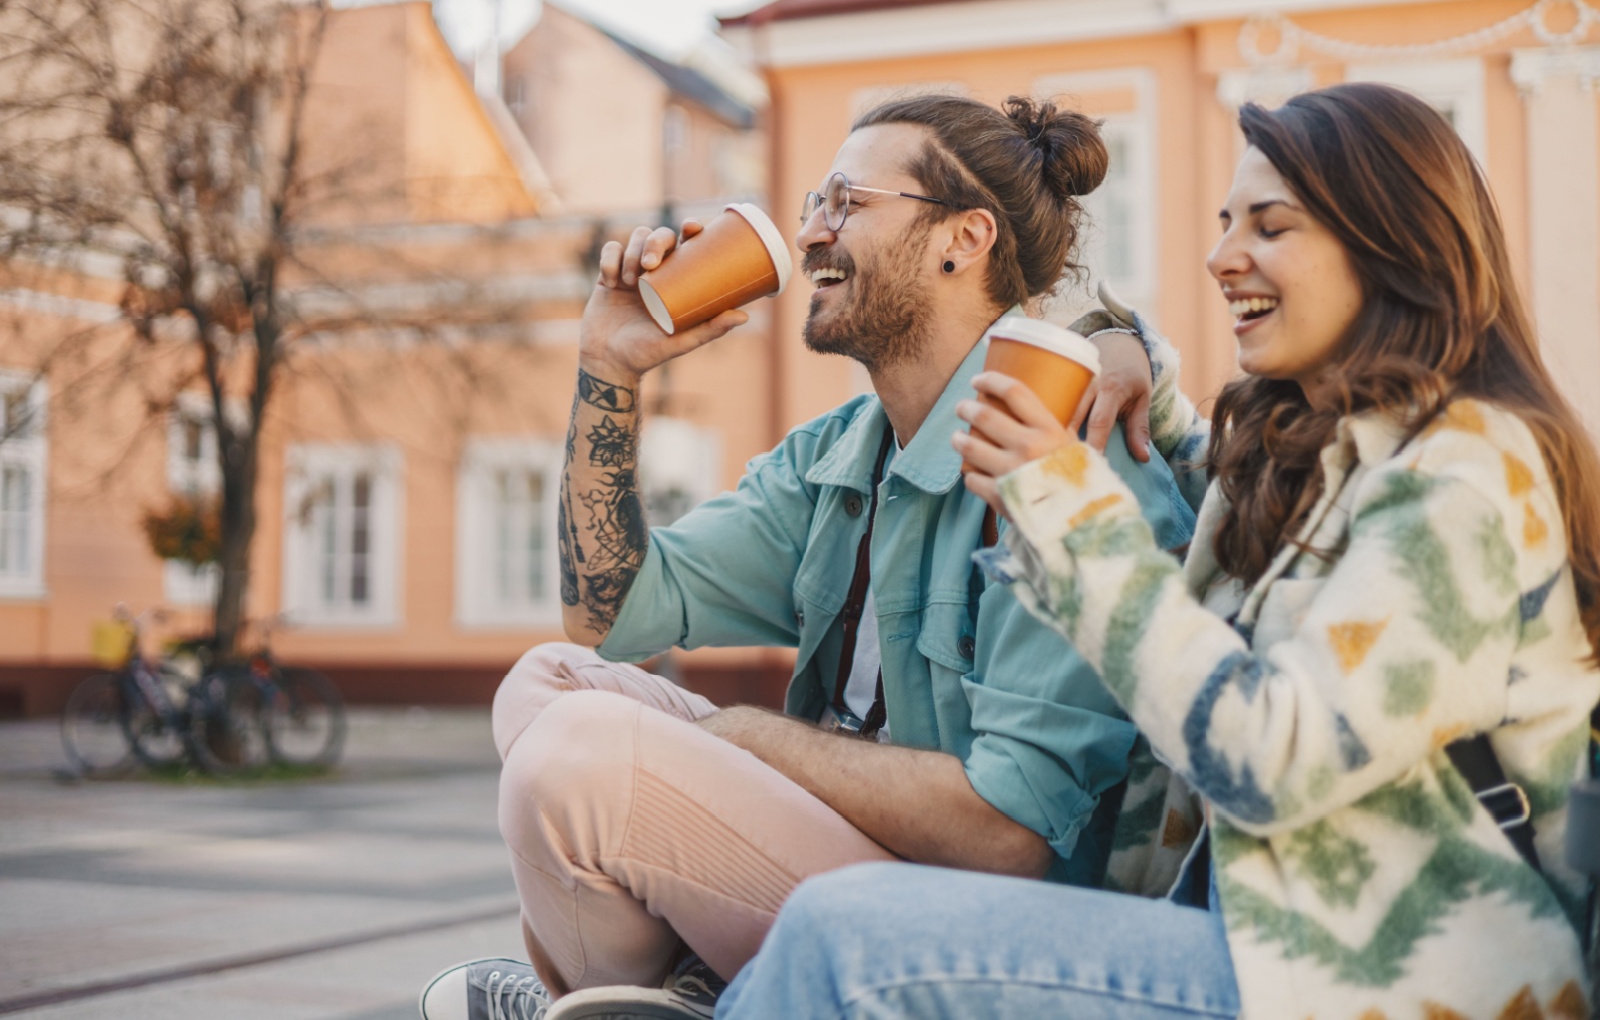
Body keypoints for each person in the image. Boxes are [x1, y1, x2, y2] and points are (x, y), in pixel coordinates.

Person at [717, 82, 1600, 1019]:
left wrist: (1068, 510)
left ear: (1390, 241)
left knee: (847, 936)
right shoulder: (1304, 458)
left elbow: (1275, 759)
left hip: (1384, 985)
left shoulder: (1466, 476)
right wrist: (1116, 339)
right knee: (845, 926)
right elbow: (1146, 409)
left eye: (1271, 226)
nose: (1222, 257)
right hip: (1246, 948)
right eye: (1226, 223)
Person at [418, 94, 1196, 1020]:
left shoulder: (1062, 455)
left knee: (577, 757)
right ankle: (681, 1000)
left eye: (846, 202)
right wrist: (610, 368)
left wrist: (751, 740)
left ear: (964, 239)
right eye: (813, 206)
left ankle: (656, 998)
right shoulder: (839, 455)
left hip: (984, 929)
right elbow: (611, 614)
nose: (812, 234)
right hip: (842, 859)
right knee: (547, 685)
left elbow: (1011, 836)